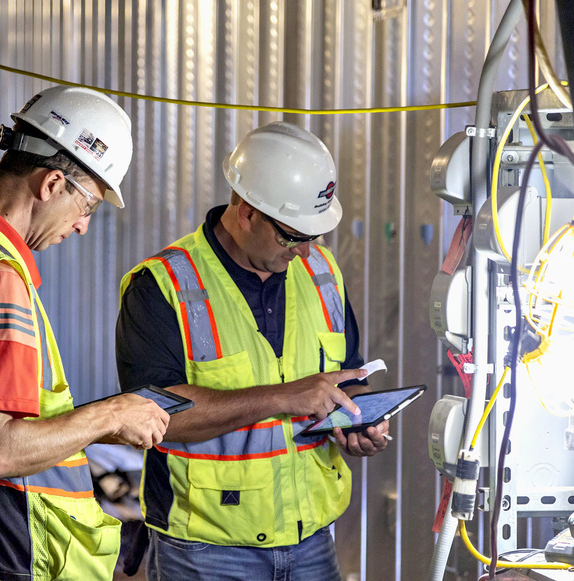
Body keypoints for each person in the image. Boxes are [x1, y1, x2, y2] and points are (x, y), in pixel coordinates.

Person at [0, 85, 170, 581]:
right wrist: (109, 412)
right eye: (88, 206)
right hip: (9, 546)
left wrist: (104, 426)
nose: (83, 226)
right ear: (50, 185)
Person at [115, 122, 389, 580]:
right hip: (206, 547)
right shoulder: (161, 286)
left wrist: (358, 418)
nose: (304, 251)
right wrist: (283, 397)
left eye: (312, 236)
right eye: (292, 236)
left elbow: (346, 376)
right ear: (245, 213)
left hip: (311, 537)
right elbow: (151, 417)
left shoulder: (321, 270)